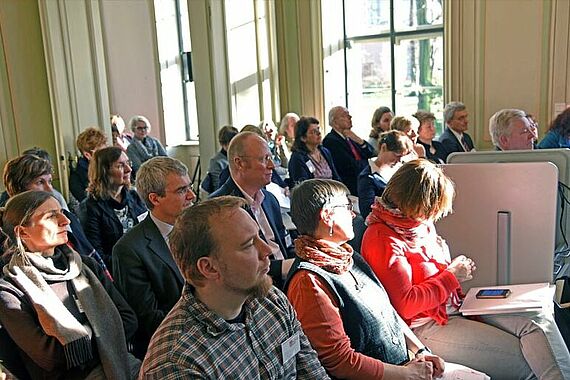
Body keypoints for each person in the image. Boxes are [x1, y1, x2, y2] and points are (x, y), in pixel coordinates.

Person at [362, 159, 570, 379]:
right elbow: (406, 306)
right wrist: (452, 276)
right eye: (433, 209)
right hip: (425, 325)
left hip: (455, 306)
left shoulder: (417, 224)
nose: (435, 216)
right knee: (529, 361)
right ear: (417, 203)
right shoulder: (382, 237)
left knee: (537, 320)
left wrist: (452, 273)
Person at [140, 196, 328, 379]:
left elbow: (311, 371)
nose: (267, 251)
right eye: (248, 245)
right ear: (209, 268)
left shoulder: (270, 299)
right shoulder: (177, 362)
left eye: (259, 237)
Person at [285, 179, 445, 379]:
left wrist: (421, 350)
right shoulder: (309, 281)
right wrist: (406, 374)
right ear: (327, 216)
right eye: (347, 206)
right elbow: (339, 361)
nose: (353, 214)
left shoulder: (349, 257)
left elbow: (387, 313)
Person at [0, 191, 140, 379]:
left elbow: (129, 319)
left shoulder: (85, 266)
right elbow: (51, 357)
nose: (66, 220)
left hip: (121, 363)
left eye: (61, 212)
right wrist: (103, 328)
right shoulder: (11, 290)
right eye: (51, 216)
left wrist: (80, 339)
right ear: (22, 232)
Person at [113, 157, 194, 359]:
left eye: (190, 187)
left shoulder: (200, 228)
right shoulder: (129, 250)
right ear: (155, 199)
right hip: (170, 348)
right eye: (182, 190)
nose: (192, 196)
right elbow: (149, 319)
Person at [0, 154, 110, 278]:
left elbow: (90, 254)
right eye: (40, 182)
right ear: (19, 189)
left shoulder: (67, 217)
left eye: (50, 181)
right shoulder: (6, 236)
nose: (49, 189)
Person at [210, 132, 294, 289]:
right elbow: (233, 267)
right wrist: (284, 267)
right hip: (254, 290)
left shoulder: (269, 199)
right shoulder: (220, 208)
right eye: (264, 159)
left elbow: (284, 244)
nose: (272, 166)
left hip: (287, 281)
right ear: (240, 163)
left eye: (270, 158)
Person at [84, 147, 147, 271]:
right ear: (103, 171)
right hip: (118, 271)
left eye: (128, 163)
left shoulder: (135, 197)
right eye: (120, 166)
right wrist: (133, 264)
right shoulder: (91, 208)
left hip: (145, 263)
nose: (129, 170)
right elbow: (97, 256)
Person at [357, 130, 413, 219]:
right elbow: (368, 212)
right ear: (383, 147)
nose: (399, 161)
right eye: (397, 155)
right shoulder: (367, 177)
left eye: (402, 157)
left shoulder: (399, 170)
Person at [323, 106, 375, 196]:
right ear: (335, 122)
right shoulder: (331, 140)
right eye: (345, 115)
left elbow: (371, 153)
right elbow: (349, 166)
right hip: (350, 185)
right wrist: (370, 165)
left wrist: (359, 140)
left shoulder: (350, 136)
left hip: (362, 179)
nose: (350, 117)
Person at [288, 116, 341, 186]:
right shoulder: (298, 157)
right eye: (313, 132)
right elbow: (303, 186)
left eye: (318, 129)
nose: (318, 133)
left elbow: (336, 177)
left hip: (333, 192)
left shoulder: (325, 152)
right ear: (303, 138)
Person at [69, 127, 108, 202]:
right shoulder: (77, 178)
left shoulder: (107, 167)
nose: (106, 155)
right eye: (101, 152)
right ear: (87, 155)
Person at [201, 125, 238, 193]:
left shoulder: (237, 157)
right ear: (224, 144)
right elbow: (217, 188)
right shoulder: (217, 162)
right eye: (231, 143)